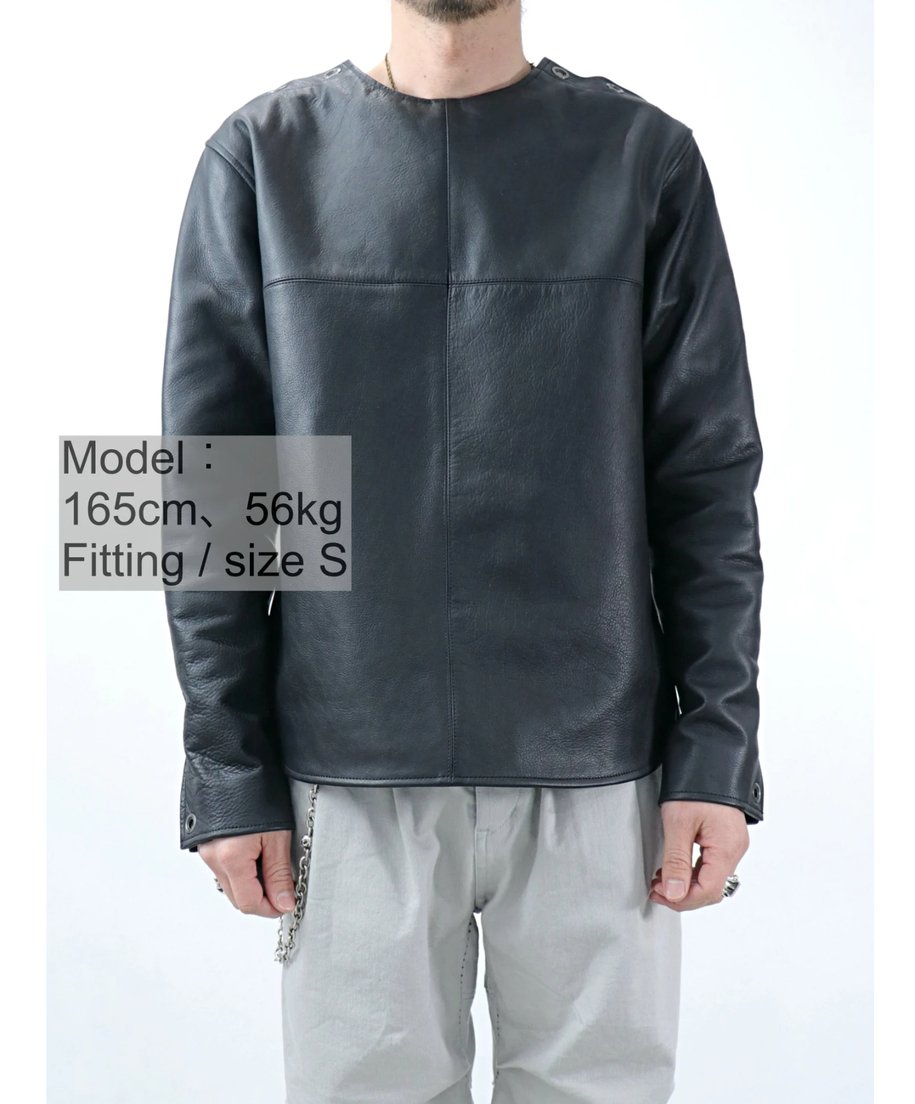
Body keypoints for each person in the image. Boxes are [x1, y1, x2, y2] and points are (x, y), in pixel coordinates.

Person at [161, 1, 765, 1100]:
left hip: (599, 777)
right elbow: (207, 494)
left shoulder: (647, 160)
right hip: (344, 778)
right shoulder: (254, 158)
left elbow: (709, 483)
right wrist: (227, 769)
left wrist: (716, 753)